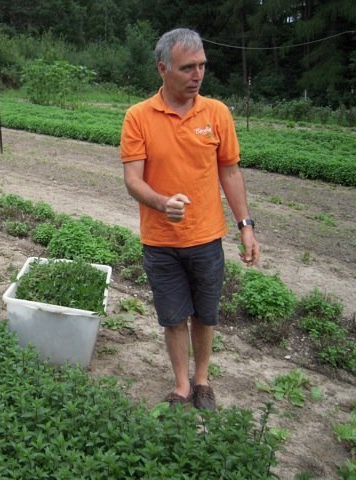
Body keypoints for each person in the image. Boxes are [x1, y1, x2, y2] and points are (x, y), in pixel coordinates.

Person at [119, 28, 259, 410]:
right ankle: (181, 385)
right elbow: (132, 179)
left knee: (205, 314)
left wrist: (246, 226)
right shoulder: (138, 117)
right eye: (187, 68)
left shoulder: (217, 113)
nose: (197, 75)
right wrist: (163, 203)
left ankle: (202, 381)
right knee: (173, 317)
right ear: (162, 69)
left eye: (201, 66)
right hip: (160, 241)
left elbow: (229, 172)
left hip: (206, 238)